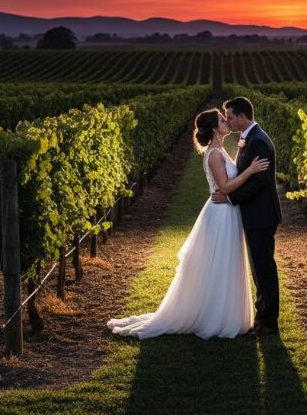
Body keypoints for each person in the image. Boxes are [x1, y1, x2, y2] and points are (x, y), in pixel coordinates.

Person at [107, 108, 268, 339]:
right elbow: (224, 187)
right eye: (222, 120)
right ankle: (217, 317)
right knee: (220, 263)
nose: (226, 121)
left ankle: (223, 313)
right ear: (214, 129)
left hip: (228, 211)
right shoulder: (214, 154)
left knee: (225, 263)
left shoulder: (220, 149)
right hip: (221, 213)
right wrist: (251, 171)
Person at [211, 96, 282, 336]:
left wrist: (230, 198)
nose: (228, 121)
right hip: (256, 215)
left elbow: (259, 183)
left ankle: (269, 323)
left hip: (261, 216)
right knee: (259, 269)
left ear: (242, 117)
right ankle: (262, 318)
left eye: (230, 117)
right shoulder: (249, 138)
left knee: (264, 269)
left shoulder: (258, 142)